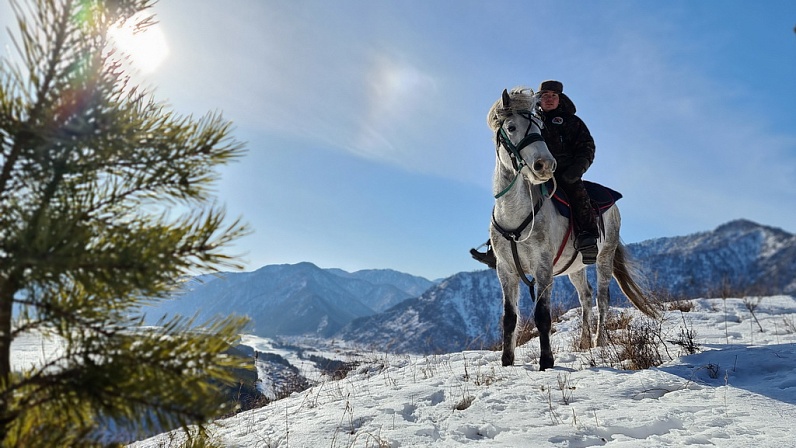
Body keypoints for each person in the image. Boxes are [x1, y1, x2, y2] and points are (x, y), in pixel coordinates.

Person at [470, 80, 599, 267]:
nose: (549, 99)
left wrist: (576, 170)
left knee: (577, 193)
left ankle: (587, 236)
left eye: (553, 96)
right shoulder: (530, 118)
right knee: (512, 197)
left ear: (560, 99)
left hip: (566, 172)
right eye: (545, 95)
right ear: (539, 98)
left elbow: (587, 147)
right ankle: (498, 245)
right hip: (534, 170)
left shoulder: (573, 122)